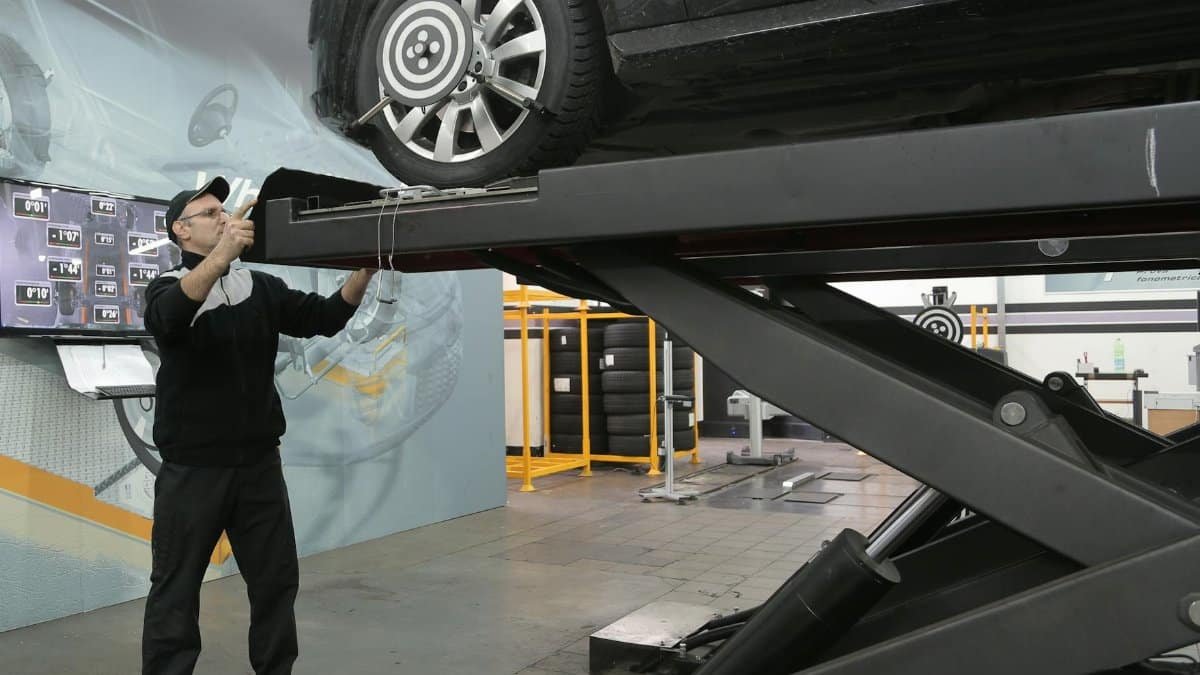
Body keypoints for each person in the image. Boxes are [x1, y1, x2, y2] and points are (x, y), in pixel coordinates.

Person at [140, 176, 376, 674]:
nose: (224, 217)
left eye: (224, 211)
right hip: (194, 471)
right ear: (182, 230)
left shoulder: (261, 288)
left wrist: (365, 268)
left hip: (258, 468)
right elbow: (170, 316)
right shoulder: (167, 288)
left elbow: (325, 316)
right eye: (211, 213)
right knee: (175, 588)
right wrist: (222, 255)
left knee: (275, 583)